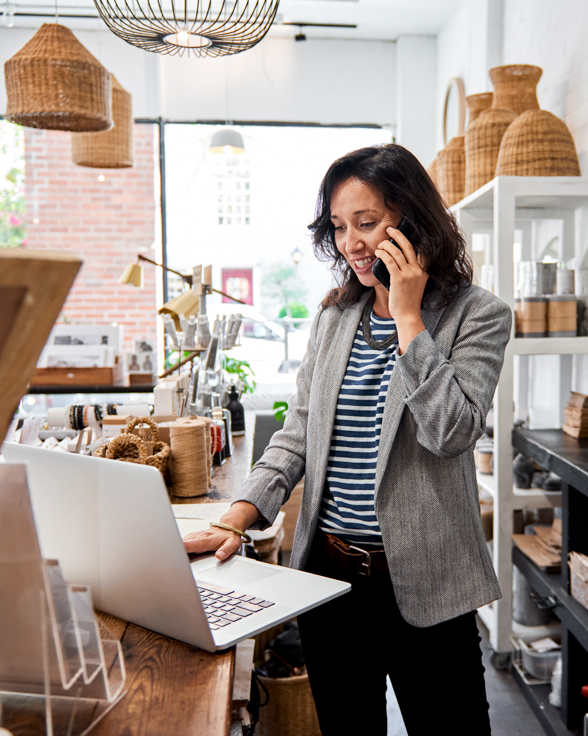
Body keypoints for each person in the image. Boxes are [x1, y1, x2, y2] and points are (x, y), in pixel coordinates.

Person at [183, 144, 512, 736]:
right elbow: (298, 434)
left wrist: (409, 318)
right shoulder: (336, 318)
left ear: (414, 220)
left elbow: (451, 432)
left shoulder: (478, 315)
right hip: (332, 586)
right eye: (339, 227)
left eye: (367, 223)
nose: (352, 243)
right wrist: (239, 514)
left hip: (430, 587)